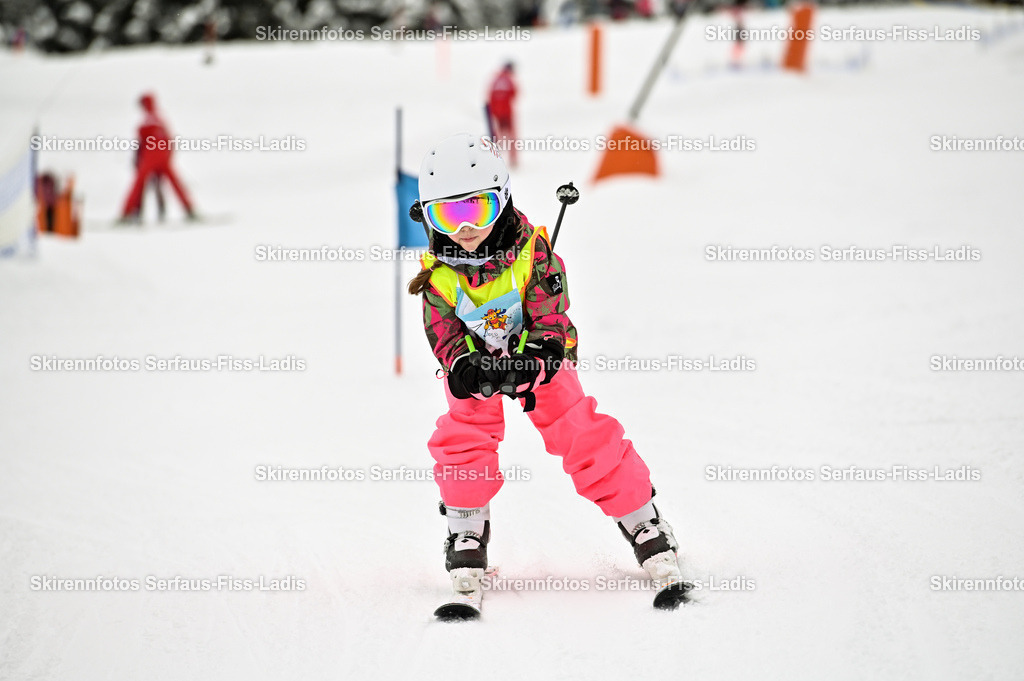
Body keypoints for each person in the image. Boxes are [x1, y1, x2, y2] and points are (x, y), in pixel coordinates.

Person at [408, 133, 684, 599]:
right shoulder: (437, 275)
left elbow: (551, 312)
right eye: (446, 214)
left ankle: (643, 520)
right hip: (476, 368)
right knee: (463, 435)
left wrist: (539, 355)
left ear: (502, 199)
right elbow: (443, 333)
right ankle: (466, 529)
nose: (463, 228)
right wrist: (462, 364)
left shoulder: (533, 251)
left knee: (579, 429)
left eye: (476, 209)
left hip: (538, 360)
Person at [119, 93, 195, 223]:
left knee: (138, 185)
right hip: (163, 158)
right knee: (176, 184)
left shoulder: (145, 122)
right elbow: (169, 141)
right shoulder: (160, 120)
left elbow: (140, 144)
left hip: (149, 158)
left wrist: (137, 160)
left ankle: (128, 213)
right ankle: (189, 210)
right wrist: (168, 157)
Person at [486, 62, 518, 168]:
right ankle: (513, 160)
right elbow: (515, 93)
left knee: (497, 138)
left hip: (497, 114)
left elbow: (489, 96)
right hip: (507, 113)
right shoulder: (509, 80)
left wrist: (494, 111)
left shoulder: (495, 80)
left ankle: (496, 159)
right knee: (511, 138)